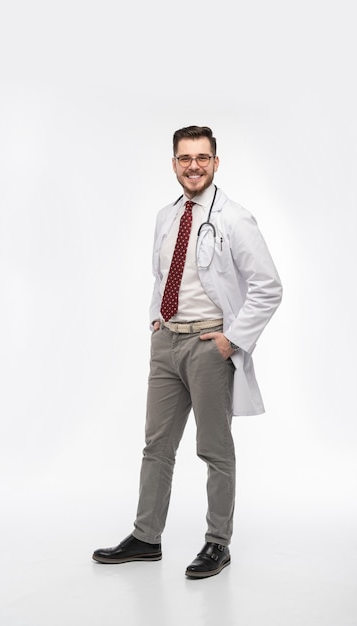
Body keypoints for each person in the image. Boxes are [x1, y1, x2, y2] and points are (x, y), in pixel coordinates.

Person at [92, 125, 282, 578]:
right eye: (184, 158)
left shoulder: (235, 219)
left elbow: (269, 287)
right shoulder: (166, 216)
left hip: (207, 345)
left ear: (216, 163)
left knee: (214, 449)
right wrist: (157, 318)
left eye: (201, 158)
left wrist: (230, 340)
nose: (192, 166)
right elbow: (162, 276)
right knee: (156, 446)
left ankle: (218, 543)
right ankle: (146, 537)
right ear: (174, 163)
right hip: (166, 342)